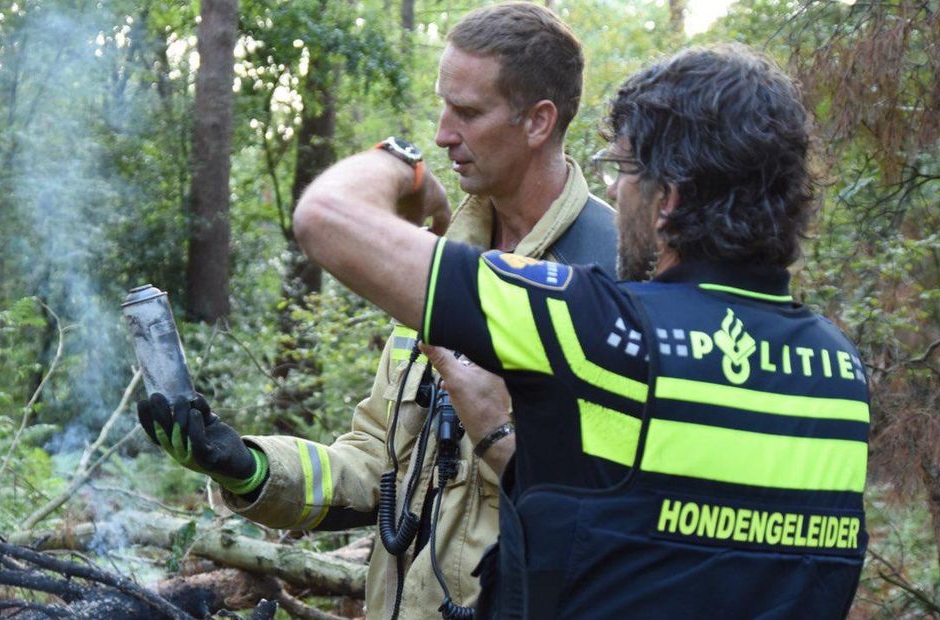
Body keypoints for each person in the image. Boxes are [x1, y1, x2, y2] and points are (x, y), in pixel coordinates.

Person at [290, 44, 870, 618]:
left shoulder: (599, 325)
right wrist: (495, 435)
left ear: (668, 198)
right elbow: (668, 537)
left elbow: (328, 218)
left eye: (623, 169)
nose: (614, 190)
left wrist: (402, 164)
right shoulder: (841, 373)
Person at [137, 4, 618, 618]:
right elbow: (374, 464)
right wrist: (248, 467)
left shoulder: (614, 274)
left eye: (468, 113)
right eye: (443, 106)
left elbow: (622, 518)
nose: (443, 134)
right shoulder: (437, 265)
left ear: (538, 122)